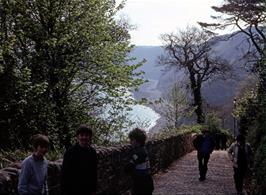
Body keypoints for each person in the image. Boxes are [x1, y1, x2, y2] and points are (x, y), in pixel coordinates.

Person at [61, 124, 97, 195]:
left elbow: (94, 172)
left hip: (88, 189)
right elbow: (64, 174)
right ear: (77, 136)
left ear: (90, 137)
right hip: (73, 189)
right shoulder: (70, 152)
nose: (84, 137)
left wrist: (94, 189)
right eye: (82, 135)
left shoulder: (92, 152)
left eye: (86, 135)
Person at [125, 128, 154, 195]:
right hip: (147, 182)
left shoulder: (138, 153)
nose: (130, 142)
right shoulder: (144, 149)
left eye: (131, 140)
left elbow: (128, 168)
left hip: (141, 185)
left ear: (135, 140)